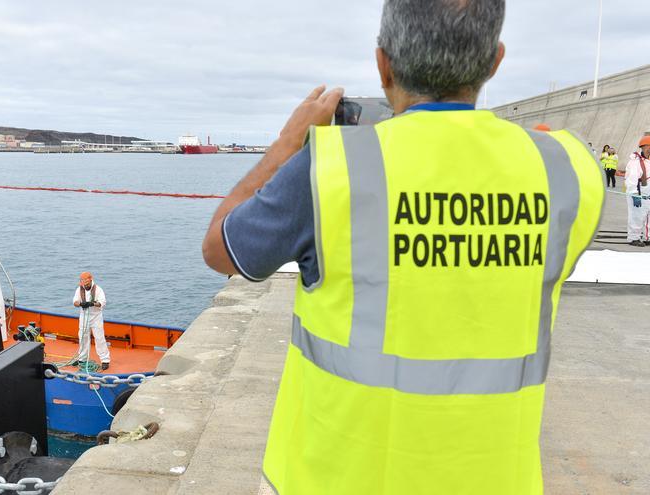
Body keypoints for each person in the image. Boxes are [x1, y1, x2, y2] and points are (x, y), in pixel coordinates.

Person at [201, 1, 603, 493]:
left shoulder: (331, 169)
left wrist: (290, 142)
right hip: (492, 478)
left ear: (383, 64)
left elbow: (222, 249)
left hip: (335, 477)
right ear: (494, 61)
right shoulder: (565, 171)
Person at [72, 271, 110, 370]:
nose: (86, 285)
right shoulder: (79, 290)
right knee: (83, 337)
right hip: (84, 316)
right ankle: (82, 359)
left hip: (96, 316)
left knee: (99, 338)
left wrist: (92, 303)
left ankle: (105, 360)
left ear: (91, 279)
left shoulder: (98, 290)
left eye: (87, 283)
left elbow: (102, 302)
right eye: (83, 283)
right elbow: (75, 302)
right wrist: (81, 304)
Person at [624, 136, 650, 247]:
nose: (649, 149)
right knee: (637, 216)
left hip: (648, 193)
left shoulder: (648, 161)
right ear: (642, 147)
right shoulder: (635, 161)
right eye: (647, 146)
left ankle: (647, 237)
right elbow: (632, 178)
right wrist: (634, 193)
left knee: (648, 216)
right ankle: (634, 238)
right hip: (638, 193)